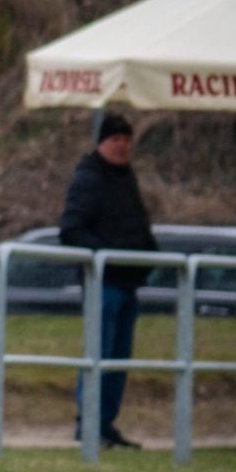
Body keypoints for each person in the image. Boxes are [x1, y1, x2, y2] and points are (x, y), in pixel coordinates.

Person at [59, 112, 156, 450]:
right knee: (98, 355)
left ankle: (105, 422)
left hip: (129, 281)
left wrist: (148, 253)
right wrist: (108, 254)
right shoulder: (88, 178)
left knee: (118, 358)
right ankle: (89, 423)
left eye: (127, 140)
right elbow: (71, 230)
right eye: (116, 139)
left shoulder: (126, 178)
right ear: (102, 142)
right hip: (104, 281)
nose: (122, 146)